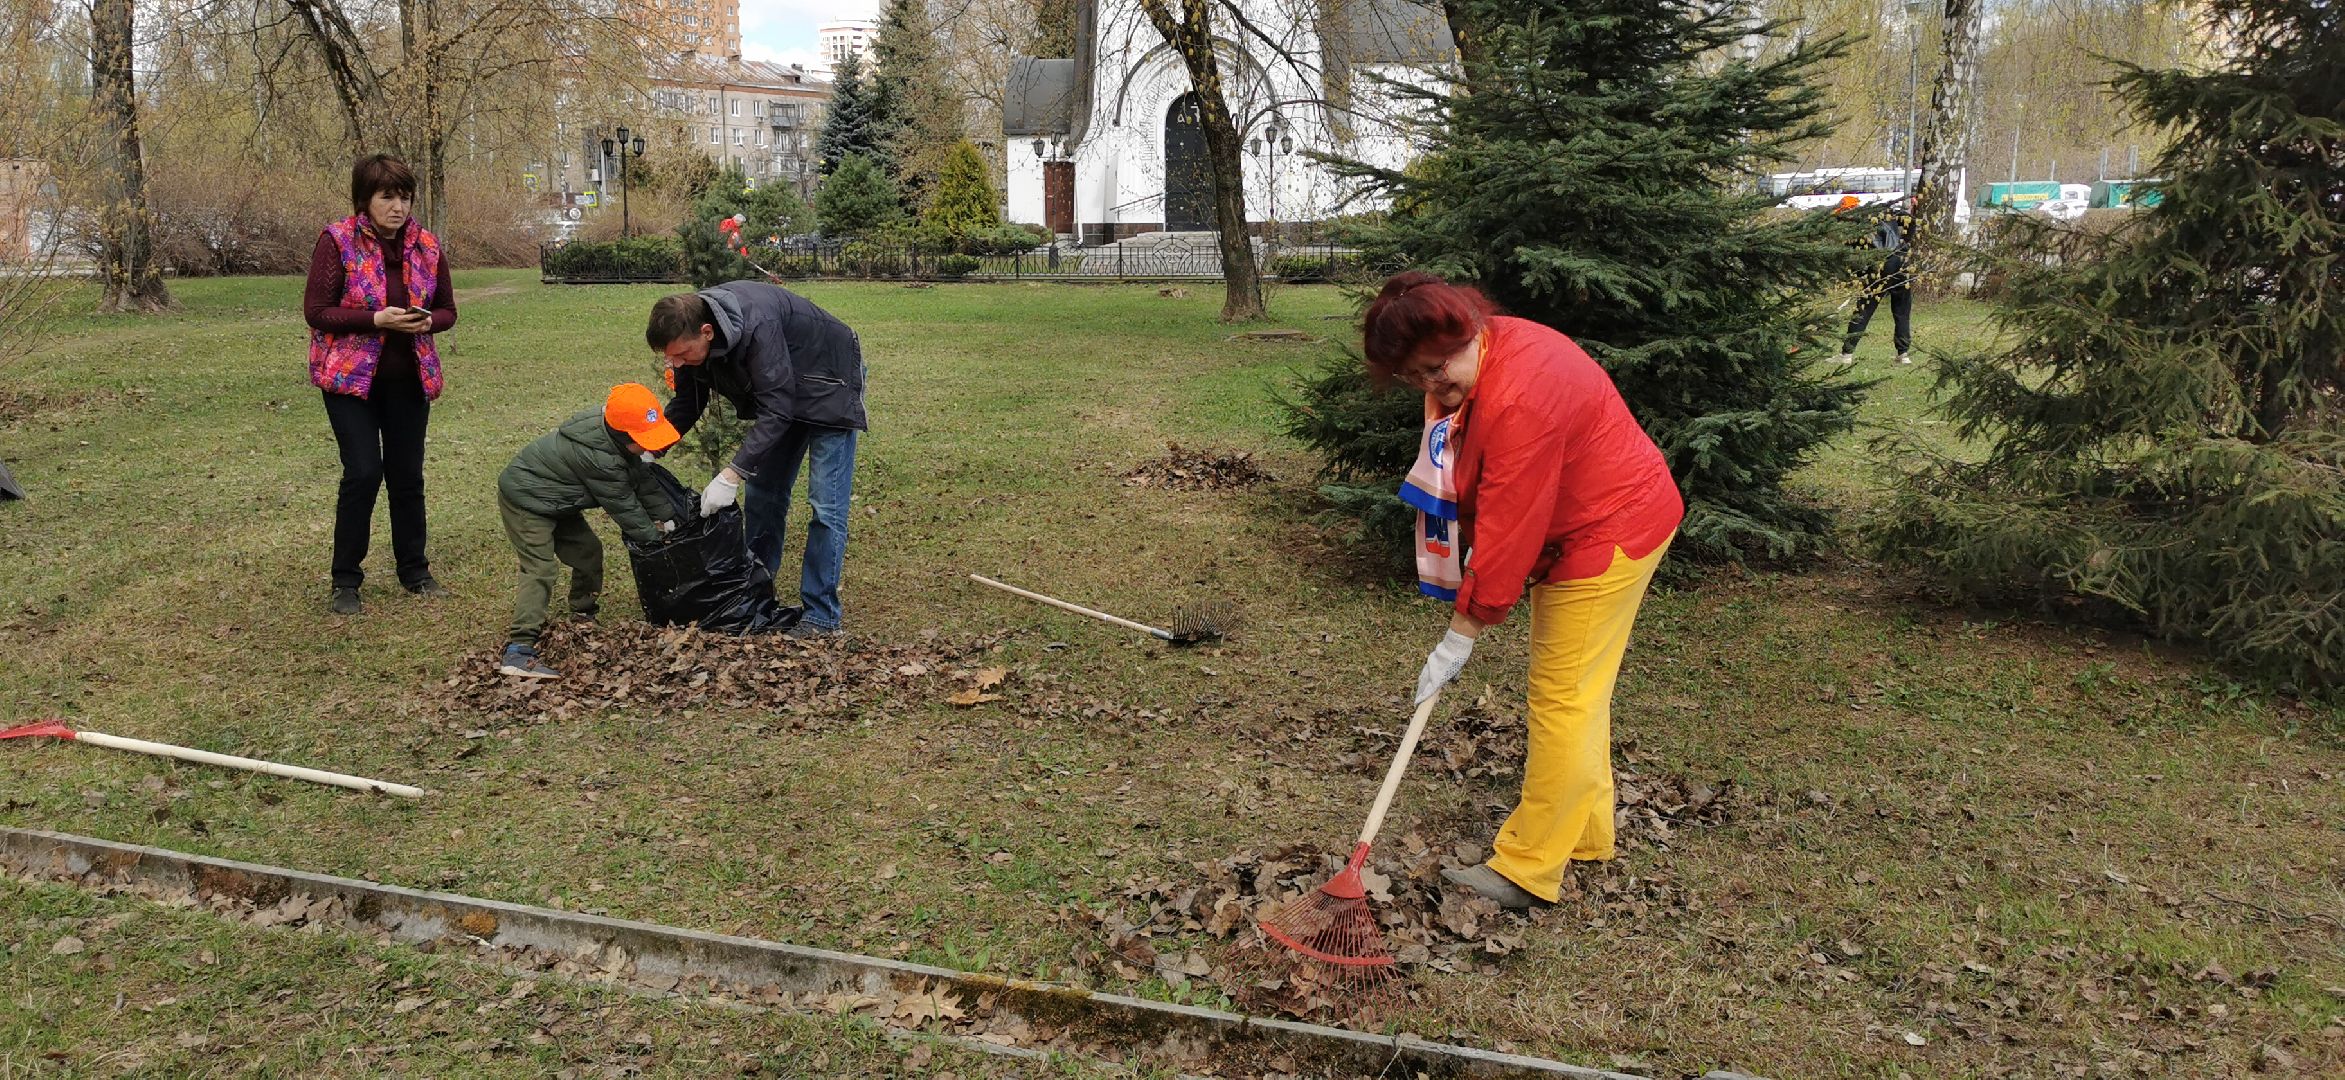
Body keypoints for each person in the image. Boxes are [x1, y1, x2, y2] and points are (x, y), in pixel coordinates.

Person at [1369, 271, 1683, 911]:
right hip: (1589, 521)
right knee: (1579, 690)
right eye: (1414, 377)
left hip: (1607, 530)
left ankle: (1528, 869)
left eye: (1436, 370)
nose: (1430, 388)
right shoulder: (1488, 350)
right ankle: (1586, 835)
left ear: (1466, 333)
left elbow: (1512, 524)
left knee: (1562, 696)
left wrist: (1461, 634)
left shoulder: (1521, 397)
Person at [644, 282, 867, 638]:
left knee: (826, 505)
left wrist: (732, 474)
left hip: (829, 379)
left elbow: (777, 409)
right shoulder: (691, 336)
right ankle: (753, 594)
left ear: (706, 332)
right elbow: (687, 403)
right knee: (764, 494)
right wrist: (651, 449)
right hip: (784, 387)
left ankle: (822, 617)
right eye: (671, 357)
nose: (677, 363)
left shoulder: (757, 325)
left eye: (682, 355)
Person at [303, 154, 457, 615]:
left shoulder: (426, 245)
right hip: (349, 381)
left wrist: (427, 322)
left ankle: (415, 571)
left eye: (405, 197)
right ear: (364, 199)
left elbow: (448, 310)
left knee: (407, 476)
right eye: (387, 197)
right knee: (364, 473)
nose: (398, 207)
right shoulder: (337, 241)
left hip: (408, 379)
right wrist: (376, 319)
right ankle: (346, 580)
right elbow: (317, 311)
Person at [493, 384, 681, 680]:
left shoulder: (615, 437)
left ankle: (583, 615)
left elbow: (642, 481)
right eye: (643, 441)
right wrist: (656, 539)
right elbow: (624, 507)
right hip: (526, 500)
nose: (649, 447)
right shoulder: (599, 458)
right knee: (540, 569)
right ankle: (519, 649)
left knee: (588, 553)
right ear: (623, 436)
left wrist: (669, 518)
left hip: (557, 499)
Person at [1833, 194, 1914, 366]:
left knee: (1863, 309)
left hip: (1880, 266)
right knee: (1902, 309)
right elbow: (1909, 219)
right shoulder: (1883, 212)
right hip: (1902, 261)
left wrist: (1861, 277)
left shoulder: (1853, 229)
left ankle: (1846, 354)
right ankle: (1903, 354)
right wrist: (1905, 243)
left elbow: (1855, 260)